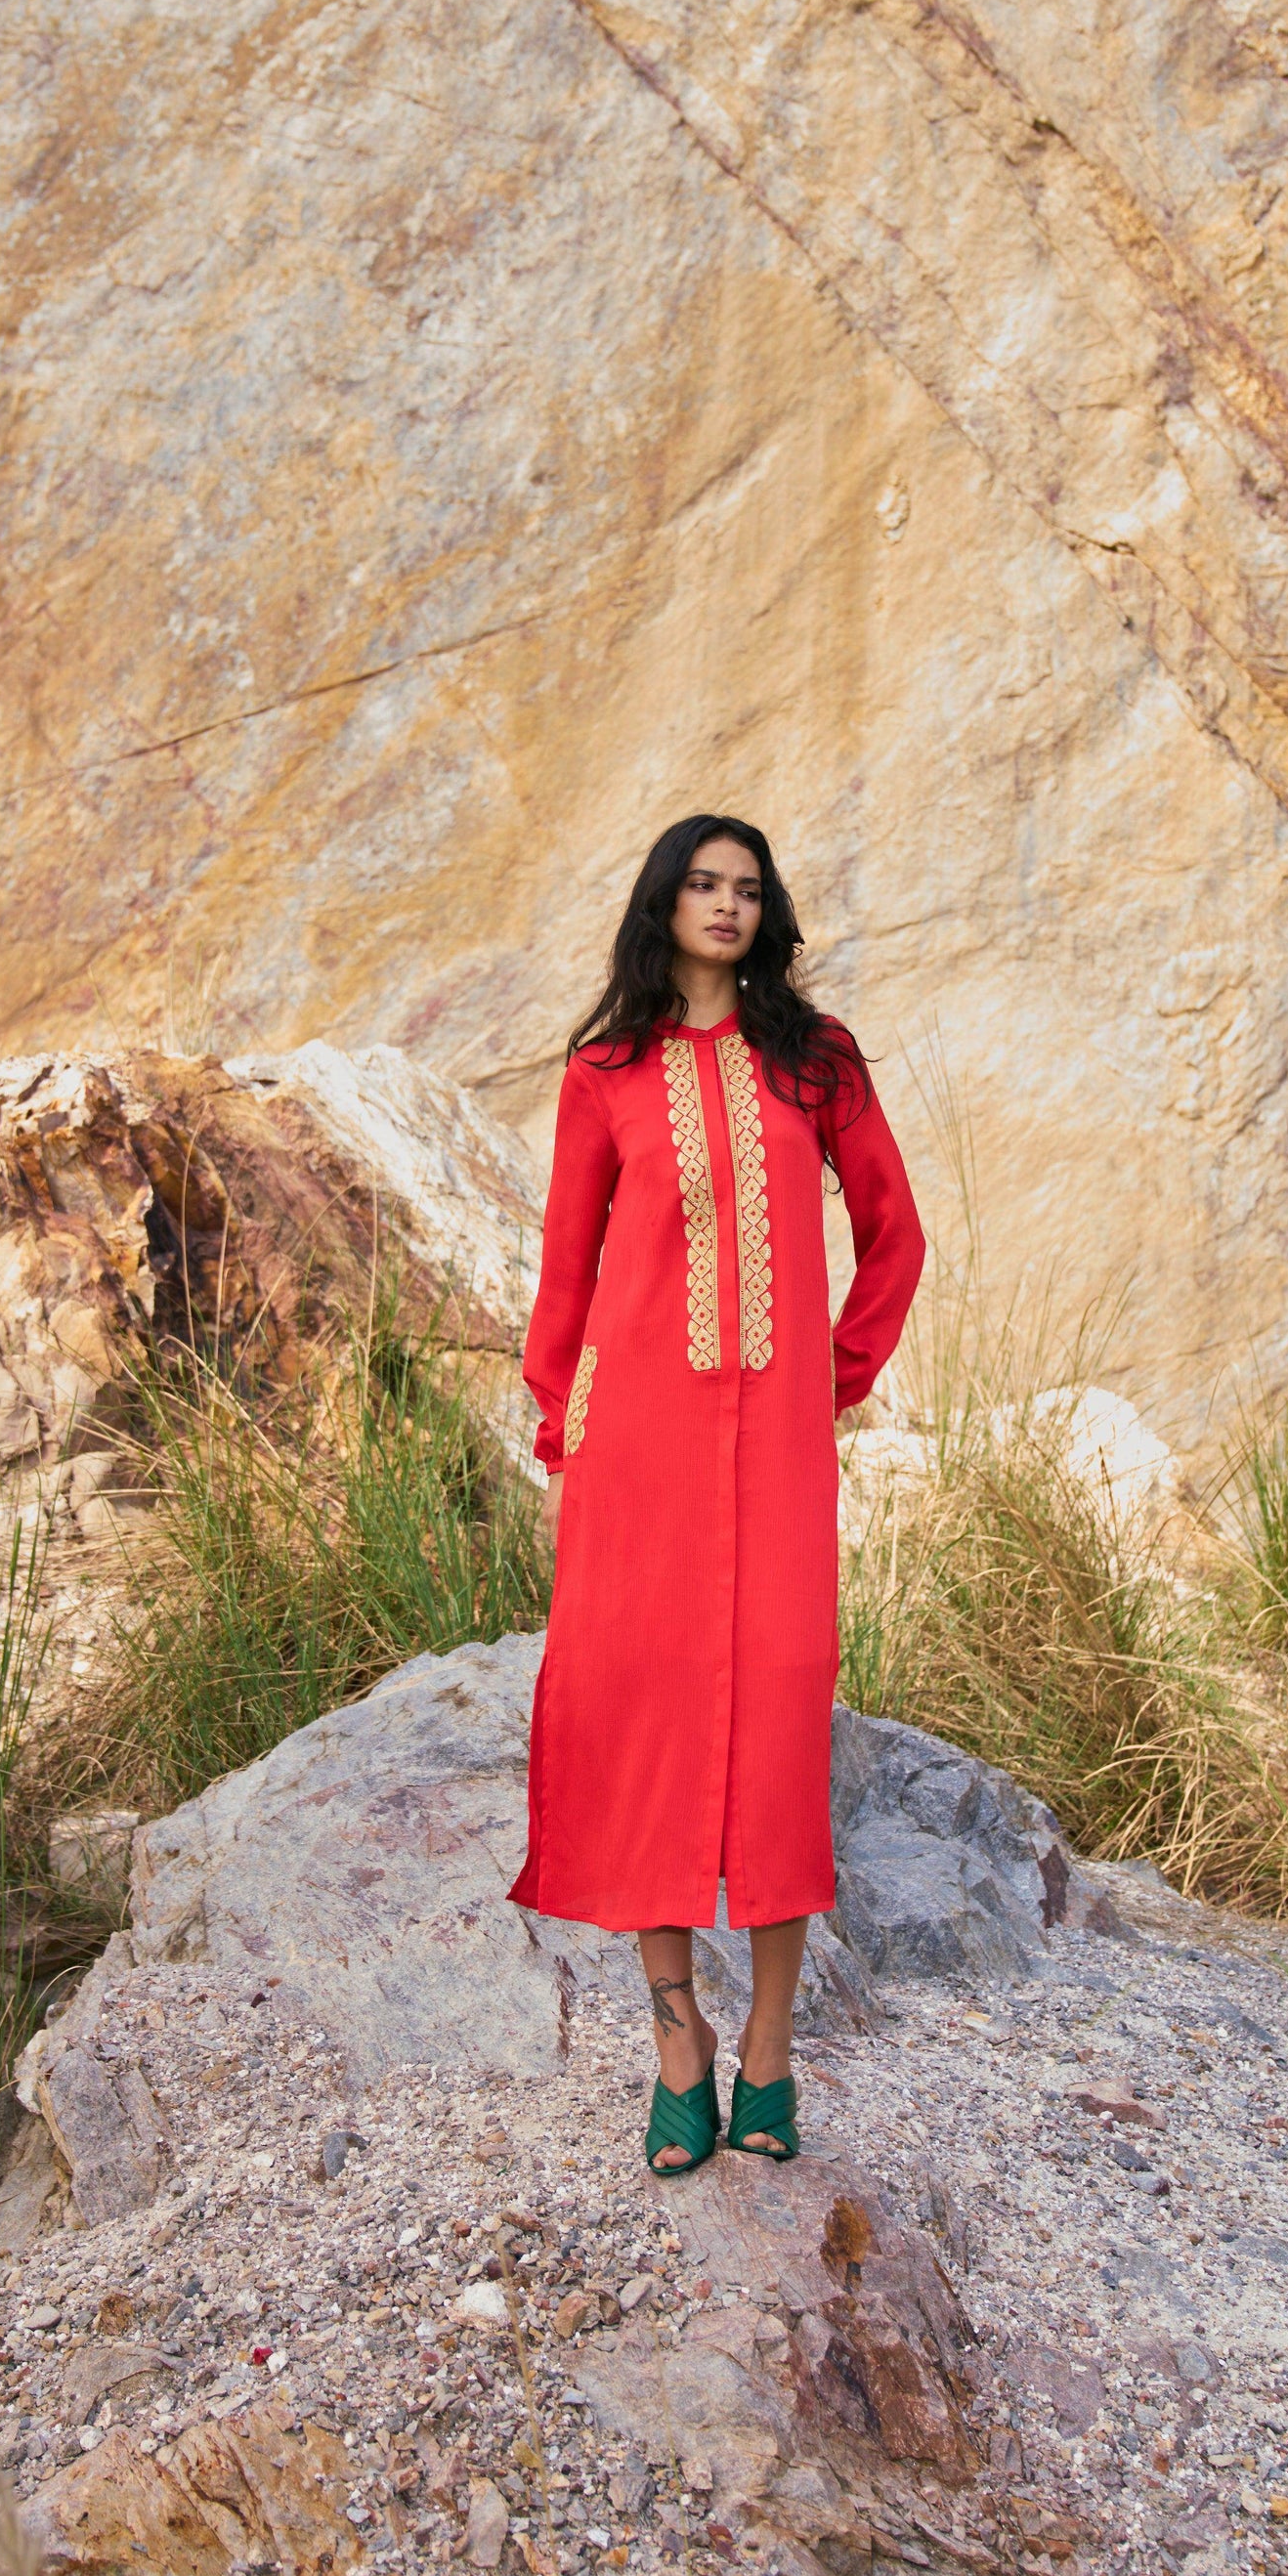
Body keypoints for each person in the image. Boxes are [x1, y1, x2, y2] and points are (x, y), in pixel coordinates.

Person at [511, 815, 924, 2174]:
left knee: (781, 1718)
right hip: (639, 1447)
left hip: (781, 1453)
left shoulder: (817, 1062)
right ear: (665, 903)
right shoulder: (606, 1074)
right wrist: (561, 1422)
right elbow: (566, 1268)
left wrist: (831, 1376)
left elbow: (894, 1233)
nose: (727, 905)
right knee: (645, 1716)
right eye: (704, 884)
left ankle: (771, 2048)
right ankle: (676, 2041)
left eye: (748, 889)